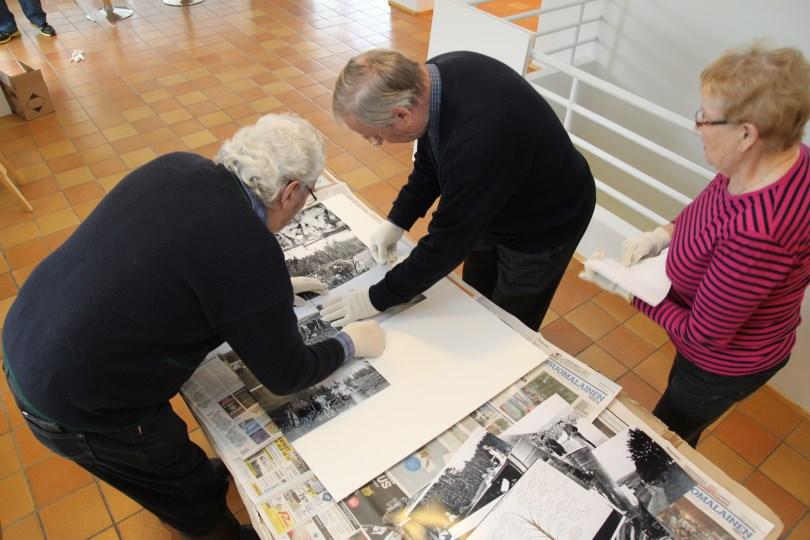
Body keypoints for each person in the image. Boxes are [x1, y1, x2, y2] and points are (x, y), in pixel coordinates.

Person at [2, 114, 386, 539]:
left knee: (178, 457)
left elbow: (182, 257)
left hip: (30, 328)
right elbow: (287, 375)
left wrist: (265, 295)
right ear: (291, 192)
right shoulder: (246, 250)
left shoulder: (178, 166)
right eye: (308, 196)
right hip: (74, 398)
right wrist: (350, 343)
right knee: (180, 489)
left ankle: (196, 479)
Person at [580, 45, 810, 446]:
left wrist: (629, 291)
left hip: (722, 363)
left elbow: (704, 336)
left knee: (666, 436)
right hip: (711, 334)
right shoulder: (768, 158)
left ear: (746, 134)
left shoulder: (760, 232)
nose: (696, 125)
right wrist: (664, 234)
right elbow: (710, 204)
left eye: (706, 117)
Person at [321, 49, 596, 331]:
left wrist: (375, 298)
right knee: (478, 292)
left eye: (375, 136)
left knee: (509, 320)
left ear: (402, 115)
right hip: (496, 196)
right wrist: (397, 220)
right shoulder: (428, 82)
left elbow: (448, 243)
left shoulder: (480, 137)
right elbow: (432, 162)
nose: (376, 143)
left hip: (545, 221)